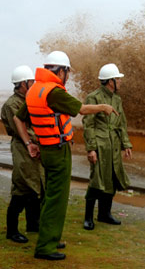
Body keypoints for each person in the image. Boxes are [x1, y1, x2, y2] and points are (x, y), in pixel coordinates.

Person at [14, 51, 118, 261]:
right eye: (67, 72)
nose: (68, 76)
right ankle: (45, 247)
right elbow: (80, 109)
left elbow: (19, 118)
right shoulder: (54, 92)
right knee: (57, 199)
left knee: (49, 196)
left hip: (45, 149)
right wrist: (103, 107)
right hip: (58, 151)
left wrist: (29, 144)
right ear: (60, 71)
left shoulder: (35, 90)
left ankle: (49, 237)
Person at [82, 63, 133, 231]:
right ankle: (88, 217)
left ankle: (104, 214)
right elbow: (88, 125)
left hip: (114, 146)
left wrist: (126, 144)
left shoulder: (117, 99)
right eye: (118, 78)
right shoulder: (94, 98)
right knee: (96, 180)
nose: (120, 81)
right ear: (110, 81)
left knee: (112, 179)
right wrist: (91, 149)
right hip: (100, 145)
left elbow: (122, 123)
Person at [1, 65, 44, 243]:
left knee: (37, 185)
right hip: (22, 147)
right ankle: (12, 230)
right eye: (31, 82)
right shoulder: (12, 104)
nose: (33, 84)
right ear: (23, 83)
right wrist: (41, 139)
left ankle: (33, 224)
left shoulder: (28, 100)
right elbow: (23, 130)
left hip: (32, 146)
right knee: (22, 187)